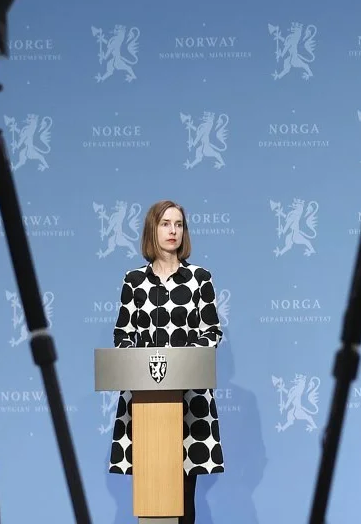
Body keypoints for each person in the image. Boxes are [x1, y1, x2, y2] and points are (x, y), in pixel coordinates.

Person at [108, 199, 224, 524]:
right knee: (153, 498)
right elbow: (122, 335)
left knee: (184, 498)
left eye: (178, 224)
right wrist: (141, 360)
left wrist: (180, 361)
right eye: (165, 224)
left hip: (189, 404)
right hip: (146, 405)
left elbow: (212, 331)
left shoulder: (199, 278)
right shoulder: (134, 281)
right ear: (152, 229)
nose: (173, 231)